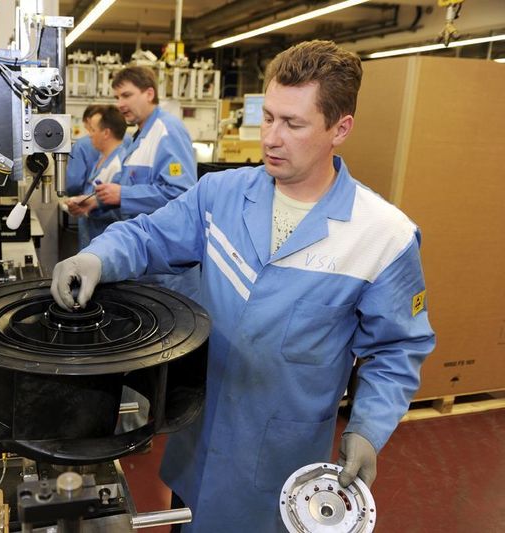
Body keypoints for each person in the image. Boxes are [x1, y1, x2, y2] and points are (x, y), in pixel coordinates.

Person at [51, 40, 435, 531]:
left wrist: (367, 427)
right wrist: (95, 257)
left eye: (292, 124)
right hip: (201, 432)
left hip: (281, 455)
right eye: (268, 117)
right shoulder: (221, 195)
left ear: (340, 128)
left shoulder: (382, 235)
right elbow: (147, 234)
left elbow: (398, 348)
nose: (270, 138)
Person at [98, 65, 200, 299]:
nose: (120, 104)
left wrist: (122, 195)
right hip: (146, 262)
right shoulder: (140, 136)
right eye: (117, 97)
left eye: (126, 95)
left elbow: (182, 192)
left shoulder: (167, 130)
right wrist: (101, 202)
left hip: (168, 269)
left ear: (149, 94)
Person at [65, 106, 128, 249]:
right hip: (93, 237)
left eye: (93, 130)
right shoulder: (103, 158)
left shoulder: (118, 164)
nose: (90, 135)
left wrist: (91, 208)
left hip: (108, 243)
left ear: (106, 133)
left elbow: (121, 210)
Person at [65, 105, 105, 197]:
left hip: (89, 201)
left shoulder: (81, 145)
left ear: (88, 121)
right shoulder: (128, 140)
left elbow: (74, 183)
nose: (90, 134)